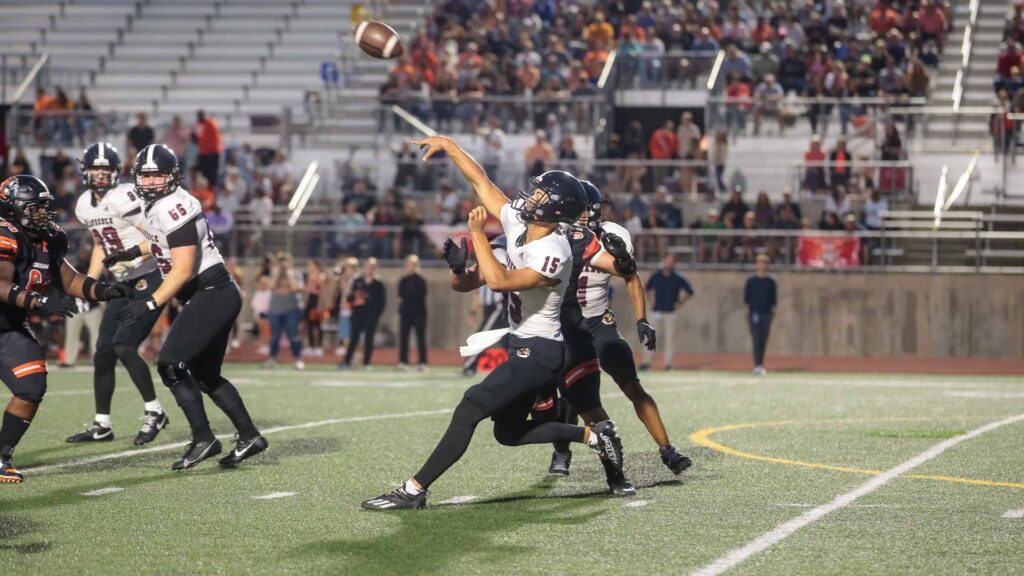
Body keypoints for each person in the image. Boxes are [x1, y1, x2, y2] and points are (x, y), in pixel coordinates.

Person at [361, 137, 623, 510]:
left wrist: (478, 235)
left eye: (540, 197)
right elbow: (480, 182)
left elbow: (498, 281)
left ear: (555, 210)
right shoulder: (521, 222)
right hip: (521, 344)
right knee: (509, 432)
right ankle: (596, 437)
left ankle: (414, 490)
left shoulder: (554, 251)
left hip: (542, 352)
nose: (530, 199)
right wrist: (449, 146)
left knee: (471, 405)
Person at [106, 144, 266, 470]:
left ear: (172, 176)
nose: (150, 182)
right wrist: (131, 254)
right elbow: (161, 242)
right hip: (213, 292)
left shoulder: (172, 205)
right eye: (145, 176)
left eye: (157, 176)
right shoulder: (160, 206)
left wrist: (150, 302)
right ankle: (249, 436)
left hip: (211, 290)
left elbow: (180, 267)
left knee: (170, 364)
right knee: (205, 374)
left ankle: (203, 438)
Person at [550, 181, 692, 477]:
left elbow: (630, 276)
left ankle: (667, 449)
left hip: (599, 320)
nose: (583, 215)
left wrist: (642, 318)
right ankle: (561, 453)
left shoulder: (613, 235)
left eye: (586, 209)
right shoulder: (555, 236)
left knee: (632, 386)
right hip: (567, 324)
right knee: (573, 400)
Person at [0, 175, 130, 483]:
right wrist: (38, 300)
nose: (42, 214)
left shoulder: (50, 238)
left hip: (8, 328)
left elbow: (70, 280)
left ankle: (1, 455)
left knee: (31, 386)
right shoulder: (5, 234)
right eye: (34, 208)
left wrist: (104, 290)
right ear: (12, 209)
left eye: (43, 208)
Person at [65, 142, 170, 446]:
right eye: (94, 169)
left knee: (124, 346)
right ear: (85, 171)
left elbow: (155, 235)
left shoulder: (124, 195)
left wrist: (133, 257)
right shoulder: (84, 203)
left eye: (105, 169)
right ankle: (102, 424)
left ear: (115, 172)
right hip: (121, 280)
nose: (99, 174)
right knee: (103, 352)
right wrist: (89, 285)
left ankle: (155, 412)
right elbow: (102, 244)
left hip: (149, 273)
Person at [642, 255, 694, 371]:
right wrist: (651, 301)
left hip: (670, 312)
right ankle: (646, 362)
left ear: (674, 263)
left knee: (669, 339)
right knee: (650, 337)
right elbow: (647, 288)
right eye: (667, 261)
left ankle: (667, 364)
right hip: (656, 312)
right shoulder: (656, 275)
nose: (668, 264)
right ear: (663, 262)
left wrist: (680, 303)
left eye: (671, 262)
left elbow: (690, 292)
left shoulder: (678, 277)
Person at [340, 257, 385, 369]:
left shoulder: (378, 284)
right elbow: (350, 298)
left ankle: (366, 362)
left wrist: (376, 314)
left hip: (371, 316)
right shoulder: (358, 281)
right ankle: (347, 361)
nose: (368, 269)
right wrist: (353, 298)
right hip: (357, 314)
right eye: (366, 266)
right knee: (353, 338)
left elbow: (382, 302)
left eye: (370, 267)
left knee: (369, 339)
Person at [262, 253, 304, 370]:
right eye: (281, 261)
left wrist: (289, 276)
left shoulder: (296, 274)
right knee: (274, 336)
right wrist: (277, 274)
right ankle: (272, 359)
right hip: (275, 310)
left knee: (293, 335)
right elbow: (270, 287)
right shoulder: (273, 274)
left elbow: (296, 288)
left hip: (292, 310)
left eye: (286, 261)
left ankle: (297, 359)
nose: (283, 264)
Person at [744, 254, 777, 375]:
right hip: (755, 314)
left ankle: (761, 364)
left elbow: (774, 300)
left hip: (766, 314)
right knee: (756, 339)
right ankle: (757, 364)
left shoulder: (771, 281)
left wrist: (773, 313)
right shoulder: (751, 281)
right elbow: (746, 298)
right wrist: (747, 311)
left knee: (763, 340)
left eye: (764, 263)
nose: (762, 266)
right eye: (760, 263)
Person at [397, 254, 427, 370]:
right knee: (404, 337)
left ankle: (422, 362)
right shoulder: (403, 280)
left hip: (419, 313)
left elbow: (421, 295)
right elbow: (401, 294)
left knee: (421, 338)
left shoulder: (421, 280)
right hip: (405, 312)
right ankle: (402, 361)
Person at [194, 110, 222, 186]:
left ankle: (211, 193)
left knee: (212, 176)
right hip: (204, 153)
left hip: (212, 153)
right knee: (204, 175)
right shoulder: (200, 124)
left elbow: (214, 139)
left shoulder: (210, 123)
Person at [303, 258, 325, 356]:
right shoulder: (309, 277)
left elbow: (321, 292)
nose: (309, 267)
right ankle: (311, 346)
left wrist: (320, 305)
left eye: (310, 265)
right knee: (310, 325)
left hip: (316, 301)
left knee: (317, 324)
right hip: (310, 301)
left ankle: (319, 346)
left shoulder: (320, 276)